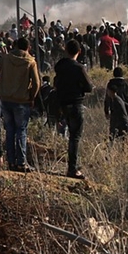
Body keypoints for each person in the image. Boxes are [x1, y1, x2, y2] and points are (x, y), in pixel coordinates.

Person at [0, 37, 41, 172]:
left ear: (15, 46)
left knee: (9, 131)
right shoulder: (30, 62)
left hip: (6, 99)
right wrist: (32, 97)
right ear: (28, 48)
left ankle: (11, 162)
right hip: (22, 101)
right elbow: (36, 83)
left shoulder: (6, 58)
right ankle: (21, 162)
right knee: (21, 131)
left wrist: (4, 57)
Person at [55, 39, 93, 178]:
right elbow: (89, 87)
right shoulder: (78, 68)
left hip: (63, 104)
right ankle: (72, 168)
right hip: (76, 103)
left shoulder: (60, 66)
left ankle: (72, 165)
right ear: (79, 51)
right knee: (75, 137)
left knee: (70, 135)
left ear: (65, 50)